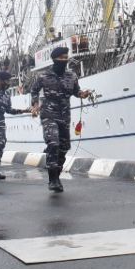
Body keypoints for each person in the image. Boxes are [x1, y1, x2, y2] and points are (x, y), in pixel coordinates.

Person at [31, 46, 93, 192]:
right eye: (62, 58)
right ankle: (52, 179)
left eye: (66, 58)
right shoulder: (43, 76)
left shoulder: (71, 75)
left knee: (64, 147)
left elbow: (76, 91)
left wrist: (82, 94)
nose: (64, 60)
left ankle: (57, 175)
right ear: (54, 59)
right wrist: (34, 105)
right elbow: (34, 90)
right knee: (53, 143)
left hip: (64, 115)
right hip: (48, 114)